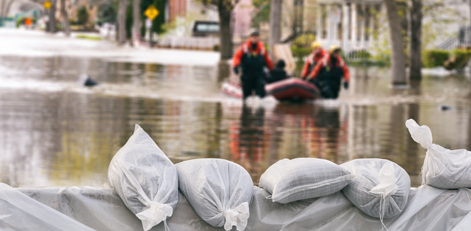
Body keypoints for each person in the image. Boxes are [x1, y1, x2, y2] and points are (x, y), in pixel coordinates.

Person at [233, 29, 274, 100]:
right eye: (253, 36)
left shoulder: (262, 48)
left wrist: (272, 70)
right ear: (250, 37)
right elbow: (237, 56)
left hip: (259, 75)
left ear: (258, 37)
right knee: (246, 97)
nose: (255, 37)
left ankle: (260, 109)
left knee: (261, 93)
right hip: (247, 75)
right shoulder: (244, 47)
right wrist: (236, 65)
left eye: (256, 36)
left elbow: (267, 60)